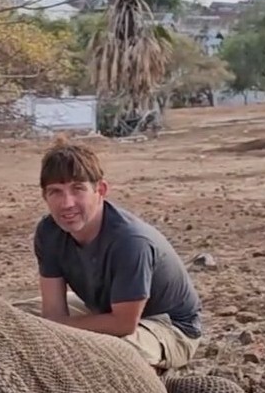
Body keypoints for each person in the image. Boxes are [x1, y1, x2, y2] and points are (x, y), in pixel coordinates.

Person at [16, 137, 203, 374]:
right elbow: (53, 312)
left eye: (77, 189)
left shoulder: (131, 241)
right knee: (16, 317)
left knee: (110, 351)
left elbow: (124, 324)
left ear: (100, 190)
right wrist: (51, 328)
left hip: (167, 326)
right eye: (56, 192)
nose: (67, 203)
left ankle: (155, 382)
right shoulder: (49, 232)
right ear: (45, 196)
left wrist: (56, 331)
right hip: (104, 312)